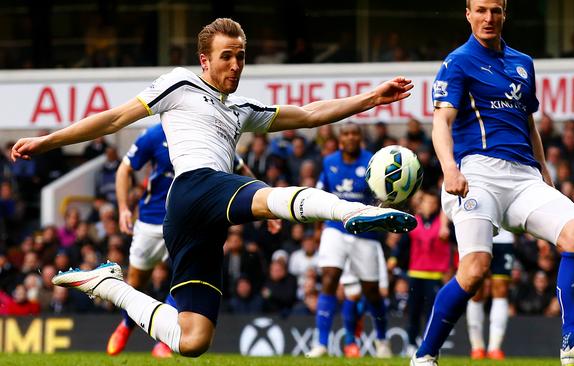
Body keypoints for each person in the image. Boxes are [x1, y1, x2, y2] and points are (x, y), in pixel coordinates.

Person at [12, 18, 416, 358]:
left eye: (241, 55)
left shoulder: (241, 111)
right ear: (204, 59)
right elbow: (114, 118)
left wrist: (370, 99)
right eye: (227, 56)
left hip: (197, 223)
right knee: (267, 195)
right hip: (193, 187)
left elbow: (310, 114)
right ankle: (352, 212)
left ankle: (109, 285)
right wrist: (48, 141)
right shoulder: (181, 84)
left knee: (193, 339)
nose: (236, 64)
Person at [410, 2, 574, 366]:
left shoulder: (524, 62)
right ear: (467, 13)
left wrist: (544, 169)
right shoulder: (457, 62)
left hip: (524, 177)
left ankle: (572, 344)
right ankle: (425, 356)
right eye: (481, 10)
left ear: (505, 13)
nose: (488, 18)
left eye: (495, 10)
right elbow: (441, 123)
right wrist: (449, 168)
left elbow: (528, 123)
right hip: (476, 174)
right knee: (475, 270)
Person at [306, 123, 392, 359]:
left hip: (365, 232)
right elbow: (320, 195)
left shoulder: (373, 162)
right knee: (330, 278)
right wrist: (316, 229)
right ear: (340, 139)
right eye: (346, 134)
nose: (351, 137)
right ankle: (321, 343)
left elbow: (382, 198)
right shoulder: (329, 161)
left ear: (360, 138)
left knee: (372, 291)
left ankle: (382, 340)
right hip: (335, 228)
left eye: (355, 133)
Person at [106, 123, 176, 358]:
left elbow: (238, 165)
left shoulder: (206, 129)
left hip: (188, 220)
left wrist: (265, 201)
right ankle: (127, 324)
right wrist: (124, 207)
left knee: (187, 278)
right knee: (137, 281)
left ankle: (166, 340)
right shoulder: (156, 134)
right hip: (152, 220)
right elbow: (124, 169)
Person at [387, 190, 452, 357]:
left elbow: (452, 246)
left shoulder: (443, 225)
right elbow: (402, 245)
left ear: (437, 206)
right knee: (414, 311)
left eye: (432, 203)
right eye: (426, 203)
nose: (429, 206)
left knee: (432, 313)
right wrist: (393, 258)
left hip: (435, 276)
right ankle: (410, 343)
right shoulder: (414, 223)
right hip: (416, 274)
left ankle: (429, 345)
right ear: (421, 205)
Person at [466, 229, 515, 360]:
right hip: (477, 239)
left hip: (504, 239)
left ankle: (495, 348)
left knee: (501, 289)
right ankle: (477, 347)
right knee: (476, 290)